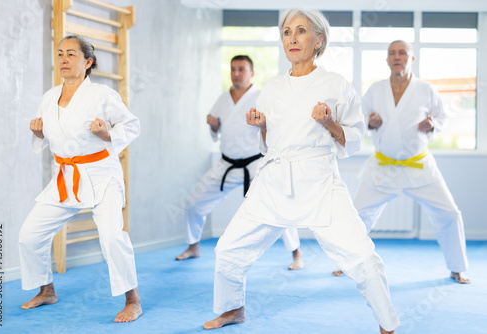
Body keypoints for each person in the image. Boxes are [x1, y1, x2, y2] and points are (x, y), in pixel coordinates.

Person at [203, 9, 399, 334]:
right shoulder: (273, 88)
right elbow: (268, 144)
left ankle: (387, 324)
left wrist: (328, 122)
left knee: (362, 257)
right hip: (274, 179)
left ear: (318, 39)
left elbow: (354, 140)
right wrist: (262, 125)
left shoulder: (335, 84)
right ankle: (232, 308)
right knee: (228, 248)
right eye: (286, 32)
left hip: (318, 180)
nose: (292, 38)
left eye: (301, 31)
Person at [19, 35, 142, 322]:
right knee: (29, 235)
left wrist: (107, 134)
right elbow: (50, 137)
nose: (63, 58)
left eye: (71, 54)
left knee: (112, 237)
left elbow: (132, 125)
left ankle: (132, 299)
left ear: (87, 62)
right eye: (61, 53)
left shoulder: (103, 95)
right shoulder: (49, 97)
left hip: (101, 176)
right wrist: (38, 133)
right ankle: (46, 289)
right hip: (65, 176)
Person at [331, 40, 470, 284]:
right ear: (387, 60)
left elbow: (441, 116)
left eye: (402, 53)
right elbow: (358, 118)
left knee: (449, 213)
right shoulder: (375, 89)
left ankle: (457, 267)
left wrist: (433, 125)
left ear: (411, 59)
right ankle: (348, 263)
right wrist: (369, 123)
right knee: (357, 215)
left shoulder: (426, 89)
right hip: (383, 168)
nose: (397, 57)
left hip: (419, 167)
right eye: (392, 53)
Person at [176, 55, 304, 270]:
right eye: (233, 69)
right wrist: (214, 125)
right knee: (193, 204)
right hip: (226, 164)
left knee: (278, 204)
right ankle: (193, 246)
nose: (236, 73)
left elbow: (275, 130)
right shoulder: (222, 99)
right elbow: (216, 131)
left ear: (251, 73)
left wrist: (263, 124)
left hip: (255, 164)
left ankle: (297, 254)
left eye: (241, 69)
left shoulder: (262, 97)